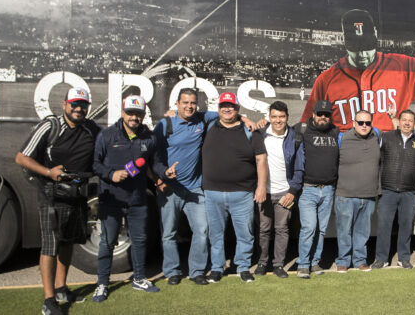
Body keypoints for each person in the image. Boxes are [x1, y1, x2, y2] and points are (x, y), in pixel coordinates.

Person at [155, 88, 258, 286]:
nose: (189, 106)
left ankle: (196, 271)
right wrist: (161, 174)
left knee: (202, 231)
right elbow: (153, 154)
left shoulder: (202, 119)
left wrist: (246, 119)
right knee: (169, 233)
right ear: (176, 104)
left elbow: (229, 112)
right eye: (185, 102)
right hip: (170, 188)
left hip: (195, 189)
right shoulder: (165, 124)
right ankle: (172, 270)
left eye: (192, 103)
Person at [15, 87, 100, 315]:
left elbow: (109, 143)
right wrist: (48, 172)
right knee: (50, 246)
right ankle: (49, 299)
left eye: (83, 105)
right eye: (74, 104)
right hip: (52, 196)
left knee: (68, 242)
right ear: (64, 105)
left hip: (77, 196)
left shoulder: (90, 128)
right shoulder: (50, 126)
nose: (79, 108)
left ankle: (62, 288)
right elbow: (21, 157)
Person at [91, 95, 161, 301]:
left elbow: (154, 164)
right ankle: (102, 283)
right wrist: (111, 174)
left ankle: (139, 278)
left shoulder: (149, 138)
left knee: (139, 241)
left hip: (137, 199)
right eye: (130, 113)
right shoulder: (106, 135)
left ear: (143, 115)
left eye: (138, 114)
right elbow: (95, 164)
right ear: (122, 113)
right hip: (111, 199)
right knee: (107, 242)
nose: (134, 117)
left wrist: (165, 173)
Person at [202, 92, 268, 283]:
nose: (227, 108)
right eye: (224, 105)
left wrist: (261, 186)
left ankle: (243, 266)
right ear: (218, 108)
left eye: (231, 105)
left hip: (242, 193)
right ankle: (216, 267)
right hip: (212, 193)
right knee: (215, 235)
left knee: (245, 234)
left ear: (238, 108)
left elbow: (261, 159)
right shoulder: (209, 126)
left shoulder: (250, 131)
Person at [372, 109, 415, 270]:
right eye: (404, 120)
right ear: (399, 121)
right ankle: (381, 258)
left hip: (409, 192)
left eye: (410, 120)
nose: (407, 123)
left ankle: (404, 258)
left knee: (406, 225)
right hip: (387, 191)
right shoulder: (386, 137)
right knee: (384, 226)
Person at [254, 101, 303, 278]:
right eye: (274, 116)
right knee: (264, 229)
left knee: (282, 229)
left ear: (287, 117)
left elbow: (299, 167)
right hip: (264, 192)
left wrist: (292, 191)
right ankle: (262, 262)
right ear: (269, 117)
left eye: (281, 116)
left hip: (284, 192)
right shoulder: (260, 134)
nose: (278, 120)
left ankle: (278, 265)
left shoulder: (295, 137)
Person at [294, 100, 340, 279]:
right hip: (308, 189)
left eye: (326, 114)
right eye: (320, 113)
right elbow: (278, 128)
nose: (323, 117)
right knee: (309, 228)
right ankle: (303, 264)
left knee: (321, 229)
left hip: (328, 189)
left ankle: (314, 262)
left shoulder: (335, 131)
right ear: (313, 114)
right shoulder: (301, 129)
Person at [334, 110, 381, 272]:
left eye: (367, 123)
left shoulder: (377, 136)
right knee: (344, 231)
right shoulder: (342, 138)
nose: (364, 126)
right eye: (360, 122)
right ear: (354, 123)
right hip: (345, 195)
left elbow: (400, 130)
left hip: (368, 195)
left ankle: (360, 260)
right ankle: (343, 261)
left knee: (363, 232)